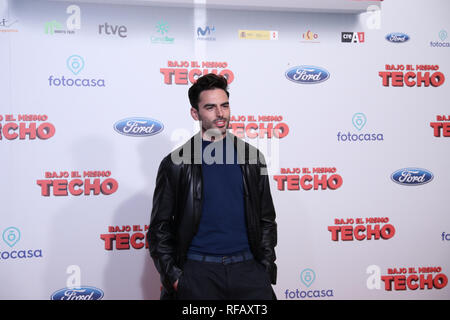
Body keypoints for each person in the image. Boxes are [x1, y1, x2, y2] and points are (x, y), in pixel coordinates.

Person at [148, 73, 277, 300]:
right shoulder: (177, 163)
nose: (220, 113)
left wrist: (264, 267)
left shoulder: (252, 158)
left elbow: (266, 219)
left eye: (224, 105)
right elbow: (160, 229)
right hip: (198, 274)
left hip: (248, 272)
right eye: (210, 107)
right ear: (195, 113)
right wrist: (176, 279)